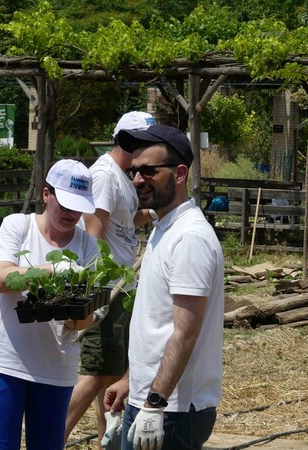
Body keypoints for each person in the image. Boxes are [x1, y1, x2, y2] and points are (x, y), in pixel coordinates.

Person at [104, 125, 225, 450]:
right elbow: (157, 325)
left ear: (180, 173)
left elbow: (185, 332)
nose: (137, 180)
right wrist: (132, 382)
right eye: (133, 171)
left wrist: (154, 404)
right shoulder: (164, 228)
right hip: (152, 400)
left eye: (149, 171)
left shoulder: (190, 238)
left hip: (173, 409)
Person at [0, 159, 100, 450]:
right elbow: (0, 279)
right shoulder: (18, 226)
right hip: (3, 362)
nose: (70, 213)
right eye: (64, 203)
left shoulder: (87, 245)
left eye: (77, 206)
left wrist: (75, 317)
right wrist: (51, 270)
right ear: (46, 194)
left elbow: (87, 318)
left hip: (55, 367)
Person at [65, 111, 157, 448]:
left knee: (112, 372)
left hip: (120, 286)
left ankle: (109, 441)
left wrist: (155, 213)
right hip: (107, 288)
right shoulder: (104, 176)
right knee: (96, 371)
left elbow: (123, 223)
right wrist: (98, 288)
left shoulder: (122, 176)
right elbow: (94, 230)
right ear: (130, 142)